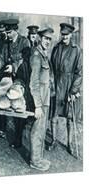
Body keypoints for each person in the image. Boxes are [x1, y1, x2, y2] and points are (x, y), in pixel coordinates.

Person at [0, 19, 32, 148]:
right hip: (8, 77)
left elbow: (25, 59)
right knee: (3, 101)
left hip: (21, 77)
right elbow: (2, 58)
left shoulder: (24, 42)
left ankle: (18, 139)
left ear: (15, 30)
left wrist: (14, 66)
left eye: (9, 32)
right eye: (7, 32)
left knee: (19, 107)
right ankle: (2, 130)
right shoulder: (6, 42)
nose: (7, 34)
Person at [49, 23, 82, 154]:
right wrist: (51, 82)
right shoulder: (56, 48)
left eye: (67, 35)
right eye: (62, 34)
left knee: (69, 116)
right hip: (57, 84)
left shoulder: (76, 50)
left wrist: (74, 90)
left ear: (71, 35)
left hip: (69, 85)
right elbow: (51, 67)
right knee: (54, 114)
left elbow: (79, 72)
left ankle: (70, 143)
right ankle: (54, 140)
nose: (64, 37)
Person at [29, 27, 54, 171]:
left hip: (46, 99)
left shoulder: (44, 54)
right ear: (39, 38)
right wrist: (37, 105)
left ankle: (39, 157)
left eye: (50, 39)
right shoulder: (36, 56)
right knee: (37, 130)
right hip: (40, 101)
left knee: (42, 129)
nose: (47, 41)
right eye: (45, 38)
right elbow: (34, 83)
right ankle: (35, 161)